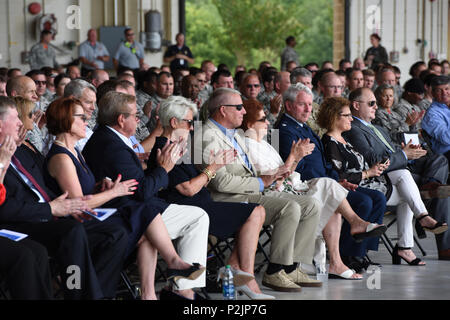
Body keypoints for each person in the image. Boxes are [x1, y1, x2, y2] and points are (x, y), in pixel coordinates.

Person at [43, 97, 205, 300]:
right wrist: (113, 192)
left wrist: (100, 186)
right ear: (66, 120)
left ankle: (151, 293)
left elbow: (82, 191)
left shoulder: (75, 151)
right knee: (145, 215)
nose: (87, 121)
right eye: (82, 117)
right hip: (78, 224)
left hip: (97, 214)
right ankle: (172, 265)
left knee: (146, 218)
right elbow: (78, 206)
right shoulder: (61, 157)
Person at [241, 99, 386, 279]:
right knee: (332, 192)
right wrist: (294, 157)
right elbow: (273, 181)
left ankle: (339, 257)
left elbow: (287, 173)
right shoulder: (248, 146)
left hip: (294, 185)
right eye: (263, 120)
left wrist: (295, 159)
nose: (269, 122)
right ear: (249, 124)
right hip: (276, 194)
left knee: (331, 188)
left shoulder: (265, 144)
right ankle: (338, 253)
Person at [0, 96, 128, 299]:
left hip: (50, 214)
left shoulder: (22, 150)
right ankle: (77, 292)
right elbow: (5, 207)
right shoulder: (6, 157)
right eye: (15, 118)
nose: (20, 122)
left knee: (116, 232)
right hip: (22, 222)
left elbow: (42, 186)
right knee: (71, 233)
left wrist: (66, 204)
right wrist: (54, 208)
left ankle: (92, 292)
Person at [146, 96, 274, 299]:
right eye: (188, 122)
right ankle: (245, 278)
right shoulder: (165, 148)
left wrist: (212, 167)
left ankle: (235, 270)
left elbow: (199, 182)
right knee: (255, 211)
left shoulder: (179, 145)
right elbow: (188, 189)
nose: (191, 128)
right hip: (189, 210)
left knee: (254, 211)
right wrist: (213, 168)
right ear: (173, 122)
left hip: (202, 203)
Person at [198, 87, 323, 293]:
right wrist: (260, 182)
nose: (244, 111)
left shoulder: (234, 134)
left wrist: (275, 174)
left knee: (311, 205)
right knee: (289, 207)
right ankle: (275, 270)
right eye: (238, 107)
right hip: (227, 199)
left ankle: (291, 267)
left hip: (252, 191)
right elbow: (219, 184)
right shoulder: (207, 136)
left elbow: (251, 170)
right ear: (222, 110)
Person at [321, 96, 448, 265]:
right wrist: (372, 170)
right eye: (347, 115)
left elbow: (387, 152)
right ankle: (418, 222)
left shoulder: (367, 131)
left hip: (376, 178)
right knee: (405, 191)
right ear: (335, 117)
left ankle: (406, 244)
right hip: (360, 183)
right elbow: (350, 169)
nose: (351, 118)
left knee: (411, 187)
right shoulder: (343, 136)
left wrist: (403, 150)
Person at [275, 83, 388, 273]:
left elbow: (325, 164)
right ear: (288, 105)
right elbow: (298, 169)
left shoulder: (305, 128)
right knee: (363, 201)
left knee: (377, 197)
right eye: (303, 104)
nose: (308, 109)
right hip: (306, 186)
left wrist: (337, 180)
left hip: (327, 182)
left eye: (310, 105)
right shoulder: (284, 129)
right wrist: (332, 181)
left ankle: (357, 251)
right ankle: (347, 255)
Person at [0, 134, 53, 300]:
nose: (19, 123)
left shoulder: (12, 151)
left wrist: (3, 164)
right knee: (23, 255)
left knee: (38, 252)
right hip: (16, 220)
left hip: (28, 216)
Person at [421, 75, 450, 178]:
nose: (444, 93)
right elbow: (446, 139)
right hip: (445, 154)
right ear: (432, 93)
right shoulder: (432, 114)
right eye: (439, 90)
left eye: (447, 89)